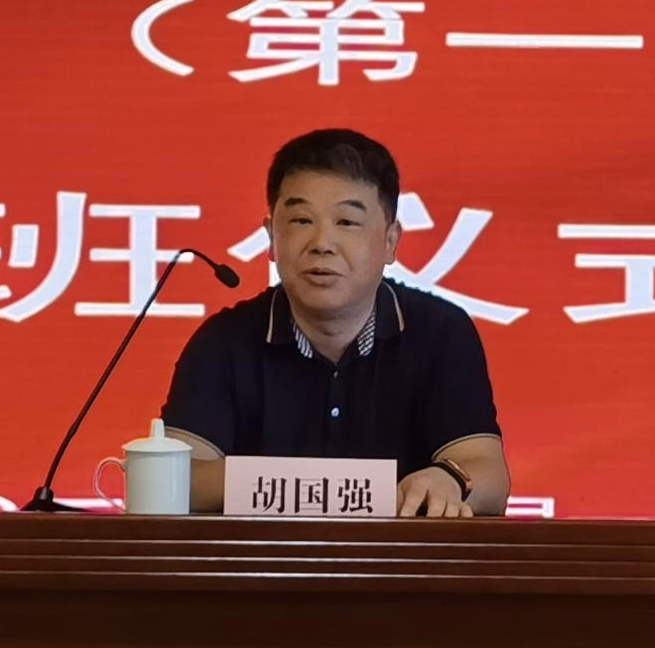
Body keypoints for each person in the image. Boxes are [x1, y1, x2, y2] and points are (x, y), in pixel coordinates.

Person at [161, 128, 510, 517]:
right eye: (301, 220)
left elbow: (488, 476)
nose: (322, 243)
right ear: (271, 238)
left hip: (398, 557)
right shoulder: (223, 341)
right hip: (264, 557)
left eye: (346, 221)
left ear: (390, 241)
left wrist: (450, 480)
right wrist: (317, 484)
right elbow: (174, 481)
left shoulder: (441, 332)